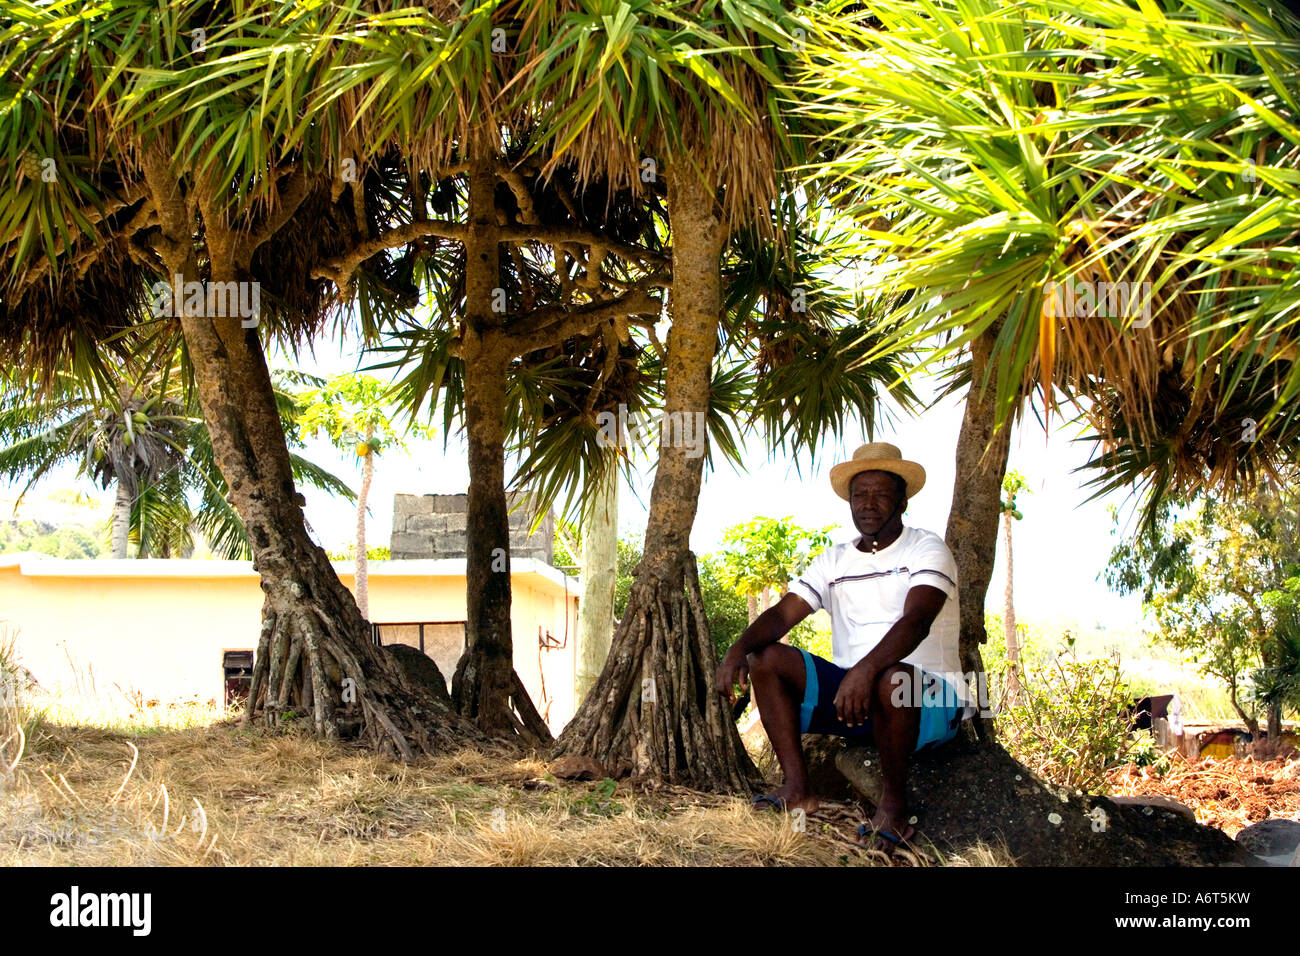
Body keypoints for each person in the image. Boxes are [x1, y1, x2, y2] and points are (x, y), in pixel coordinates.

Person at [714, 442, 973, 852]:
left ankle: (892, 806)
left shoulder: (927, 548)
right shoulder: (833, 560)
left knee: (893, 678)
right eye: (859, 494)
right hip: (857, 703)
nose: (868, 504)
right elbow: (783, 616)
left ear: (903, 501)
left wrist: (866, 671)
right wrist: (735, 650)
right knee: (766, 657)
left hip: (926, 701)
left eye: (881, 493)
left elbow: (916, 621)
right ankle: (798, 788)